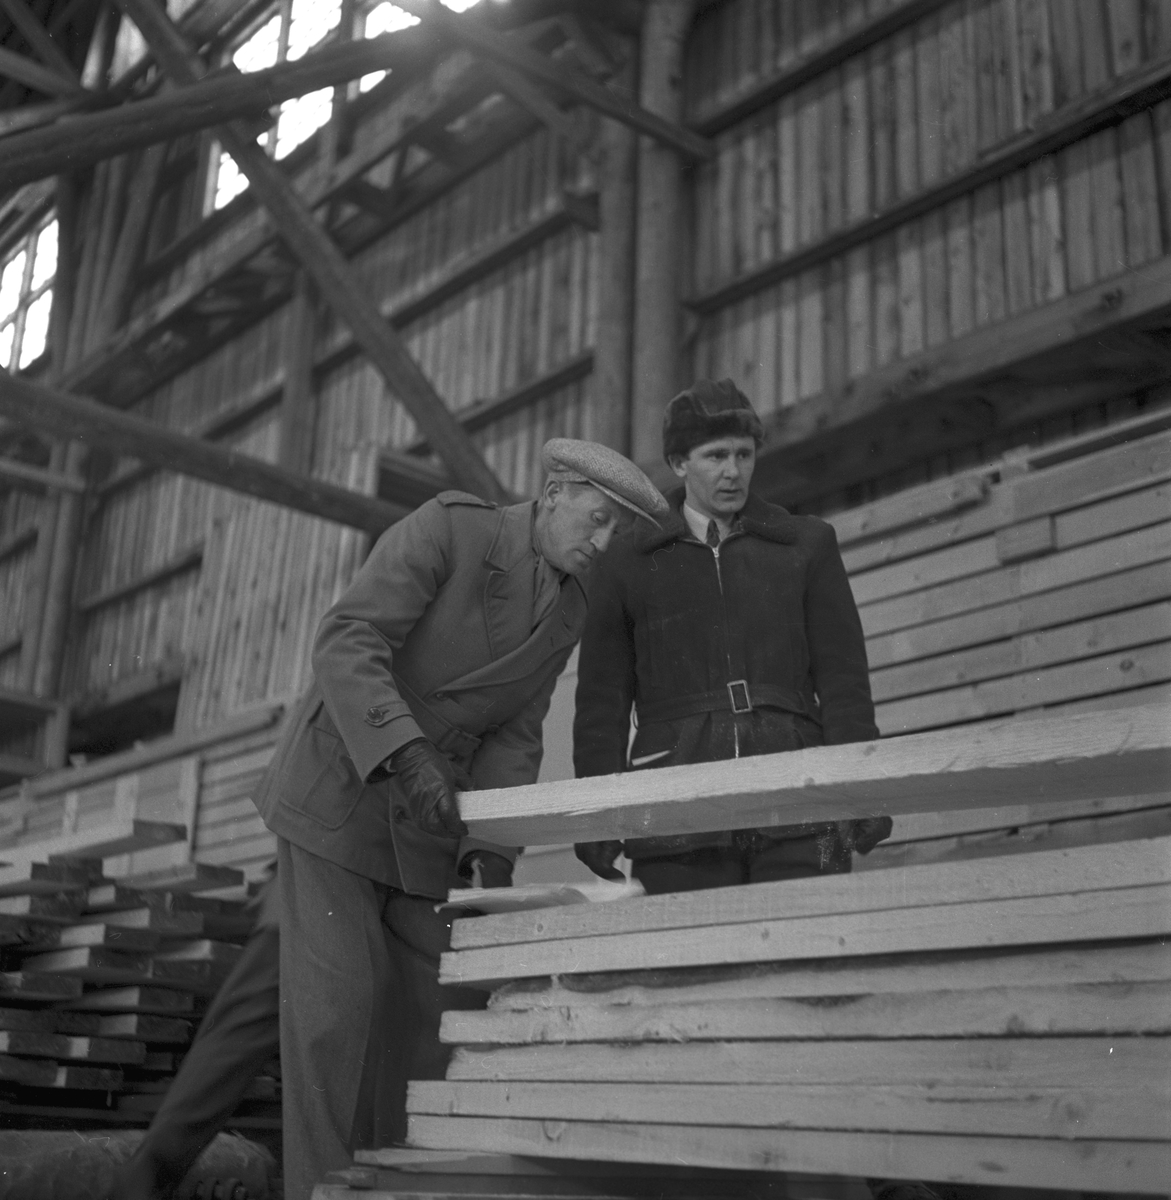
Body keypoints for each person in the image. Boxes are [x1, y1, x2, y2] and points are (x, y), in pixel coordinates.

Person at [253, 439, 667, 1200]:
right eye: (598, 519)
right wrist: (404, 752)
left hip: (428, 821)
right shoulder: (451, 528)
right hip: (342, 786)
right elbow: (347, 638)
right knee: (336, 1011)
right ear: (554, 493)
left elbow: (517, 733)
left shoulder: (571, 606)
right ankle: (319, 1188)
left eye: (619, 531)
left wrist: (490, 851)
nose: (605, 542)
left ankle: (391, 1183)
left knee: (440, 1002)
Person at [573, 378, 890, 893]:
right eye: (716, 455)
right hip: (676, 807)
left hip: (799, 799)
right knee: (690, 944)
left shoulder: (807, 545)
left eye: (744, 454)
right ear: (679, 463)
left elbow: (844, 683)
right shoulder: (627, 562)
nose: (733, 471)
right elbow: (601, 706)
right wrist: (596, 813)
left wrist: (861, 787)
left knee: (808, 936)